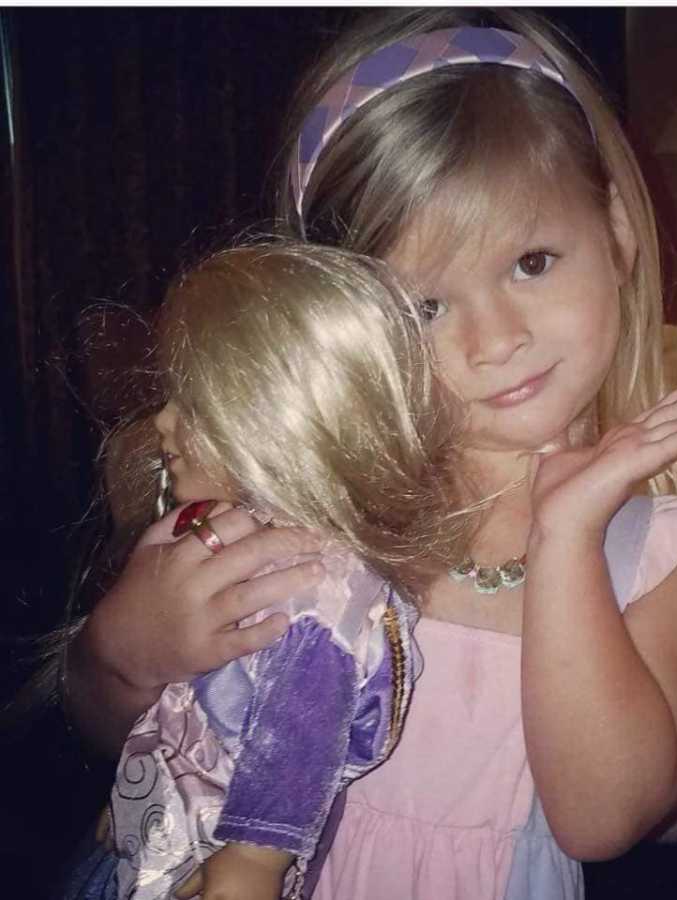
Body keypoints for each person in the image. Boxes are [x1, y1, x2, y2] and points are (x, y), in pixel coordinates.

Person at [64, 9, 677, 899]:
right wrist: (122, 653)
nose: (495, 338)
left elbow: (601, 819)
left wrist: (565, 543)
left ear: (618, 231)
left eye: (533, 261)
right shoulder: (308, 503)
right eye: (425, 306)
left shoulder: (674, 556)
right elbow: (121, 729)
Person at [65, 241, 467, 900]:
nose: (163, 423)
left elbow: (296, 736)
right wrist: (140, 787)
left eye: (195, 407)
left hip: (212, 856)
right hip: (160, 822)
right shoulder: (242, 537)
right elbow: (183, 696)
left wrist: (256, 856)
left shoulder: (320, 592)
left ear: (278, 422)